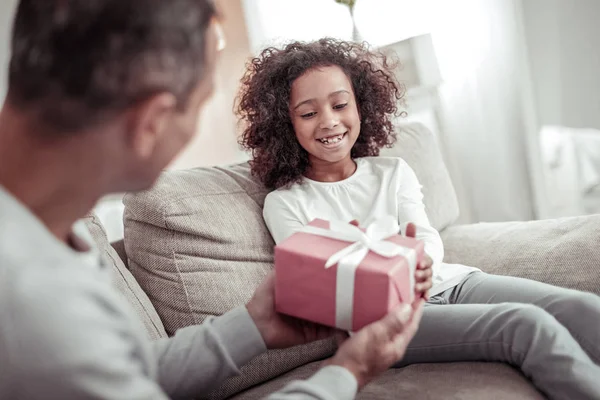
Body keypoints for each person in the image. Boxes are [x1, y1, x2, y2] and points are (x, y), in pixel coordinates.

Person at [0, 2, 425, 399]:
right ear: (152, 121)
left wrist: (251, 327)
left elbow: (128, 370)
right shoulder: (30, 296)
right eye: (201, 104)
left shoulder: (48, 225)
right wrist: (348, 372)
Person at [237, 38, 600, 400]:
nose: (329, 121)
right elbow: (324, 284)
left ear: (361, 106)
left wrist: (417, 262)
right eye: (308, 113)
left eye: (340, 104)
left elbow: (426, 238)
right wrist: (389, 266)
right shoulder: (284, 203)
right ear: (286, 124)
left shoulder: (393, 171)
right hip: (385, 322)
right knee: (525, 325)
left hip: (450, 284)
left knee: (582, 307)